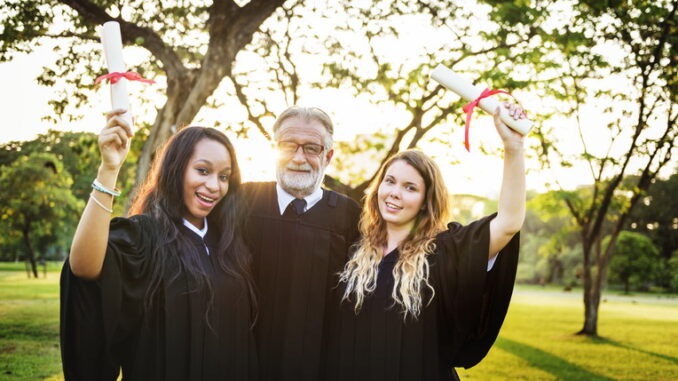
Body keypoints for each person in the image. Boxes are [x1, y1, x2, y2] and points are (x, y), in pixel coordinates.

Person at [324, 103, 526, 380]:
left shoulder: (446, 250)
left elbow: (508, 223)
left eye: (410, 188)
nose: (395, 193)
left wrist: (513, 149)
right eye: (390, 181)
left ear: (424, 201)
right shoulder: (355, 250)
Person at [60, 109, 258, 380]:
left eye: (224, 176)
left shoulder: (230, 242)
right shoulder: (144, 237)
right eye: (202, 170)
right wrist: (109, 169)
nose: (214, 185)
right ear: (176, 170)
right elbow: (84, 268)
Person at [241, 106, 362, 381]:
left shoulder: (350, 216)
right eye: (288, 145)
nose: (298, 158)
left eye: (311, 148)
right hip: (246, 362)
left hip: (320, 367)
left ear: (328, 156)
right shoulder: (241, 200)